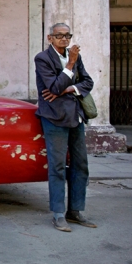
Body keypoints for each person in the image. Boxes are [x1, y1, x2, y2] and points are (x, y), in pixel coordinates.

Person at [35, 23, 97, 232]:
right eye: (59, 35)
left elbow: (88, 82)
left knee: (80, 165)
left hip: (76, 117)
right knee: (58, 166)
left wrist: (68, 89)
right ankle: (59, 214)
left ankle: (76, 211)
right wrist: (70, 65)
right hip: (54, 118)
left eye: (67, 35)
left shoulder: (75, 57)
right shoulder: (43, 58)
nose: (64, 39)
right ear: (49, 37)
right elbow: (52, 87)